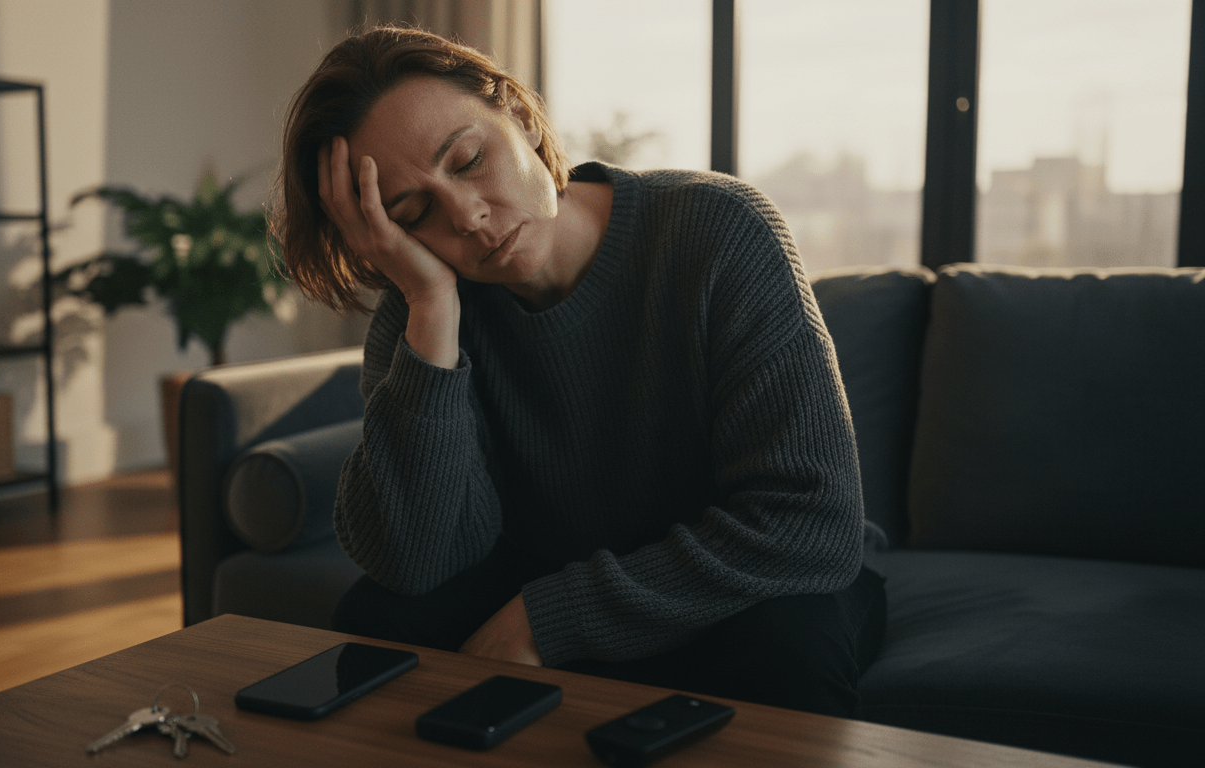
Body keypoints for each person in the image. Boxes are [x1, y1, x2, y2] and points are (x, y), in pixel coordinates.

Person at [269, 25, 886, 718]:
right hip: (551, 560)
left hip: (744, 575)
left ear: (525, 119)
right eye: (415, 213)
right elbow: (415, 562)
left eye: (470, 160)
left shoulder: (717, 230)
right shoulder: (422, 311)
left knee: (787, 655)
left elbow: (810, 520)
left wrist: (549, 617)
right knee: (379, 619)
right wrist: (432, 305)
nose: (468, 216)